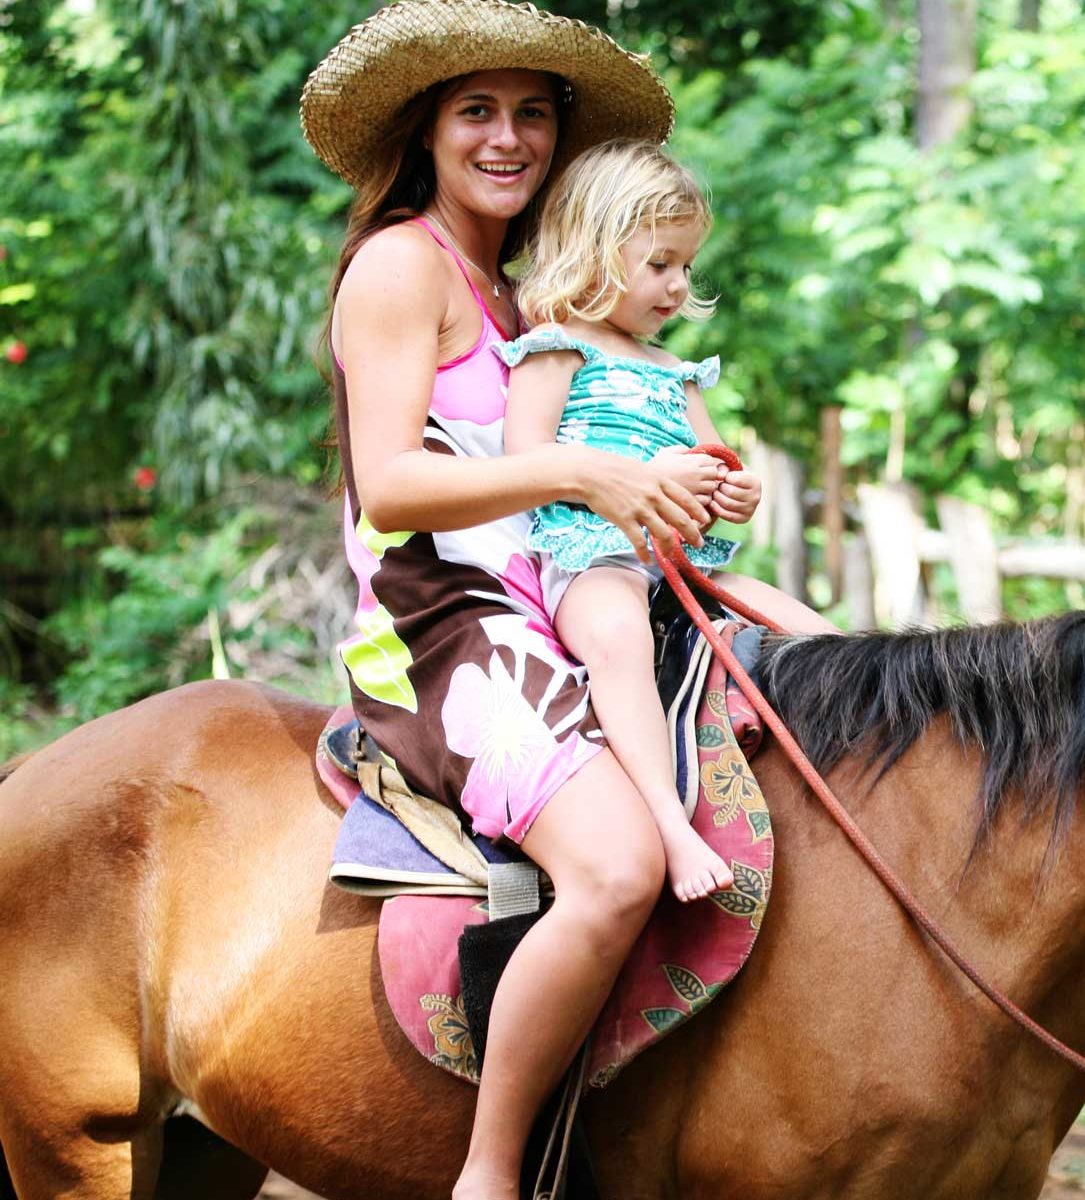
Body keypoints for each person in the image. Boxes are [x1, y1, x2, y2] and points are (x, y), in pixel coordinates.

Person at [299, 4, 827, 1196]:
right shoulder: (402, 265)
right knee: (617, 864)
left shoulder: (524, 293)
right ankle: (490, 1172)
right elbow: (391, 484)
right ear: (424, 129)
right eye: (476, 111)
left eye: (531, 113)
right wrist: (585, 474)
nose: (507, 137)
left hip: (562, 595)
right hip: (448, 625)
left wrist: (682, 486)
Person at [497, 138, 827, 903]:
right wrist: (637, 479)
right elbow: (526, 457)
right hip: (593, 556)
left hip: (678, 563)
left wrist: (732, 493)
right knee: (620, 638)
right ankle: (669, 824)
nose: (679, 284)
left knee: (811, 633)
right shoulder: (558, 350)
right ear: (594, 253)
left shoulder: (676, 372)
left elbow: (713, 461)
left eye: (686, 265)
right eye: (659, 264)